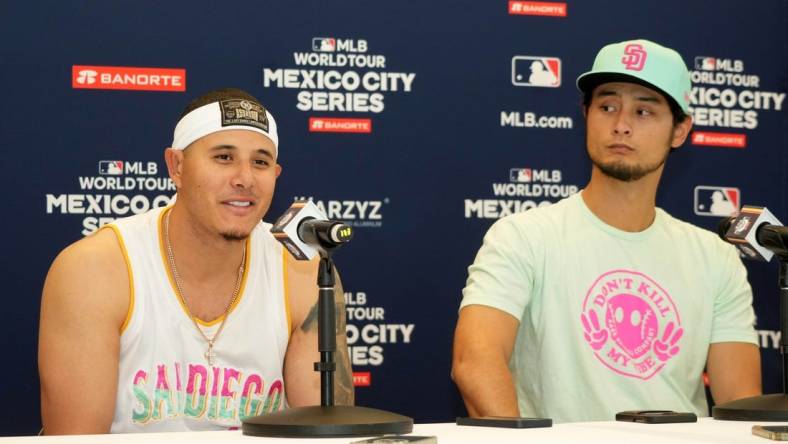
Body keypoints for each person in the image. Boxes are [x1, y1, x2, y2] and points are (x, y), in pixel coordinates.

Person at [452, 39, 761, 423]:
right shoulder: (523, 236)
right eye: (607, 106)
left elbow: (742, 407)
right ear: (586, 115)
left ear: (680, 130)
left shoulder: (715, 258)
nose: (621, 125)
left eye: (644, 111)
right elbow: (474, 362)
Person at [38, 88, 354, 434]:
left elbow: (324, 434)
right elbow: (77, 441)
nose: (244, 178)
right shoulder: (95, 269)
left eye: (260, 162)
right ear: (177, 166)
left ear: (275, 175)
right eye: (223, 157)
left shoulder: (304, 268)